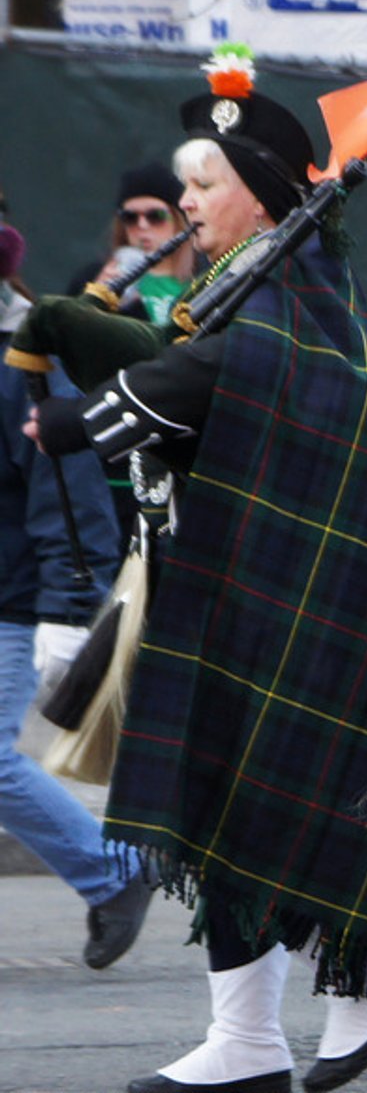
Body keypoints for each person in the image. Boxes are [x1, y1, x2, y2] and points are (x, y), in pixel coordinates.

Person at [28, 45, 367, 1093]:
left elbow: (168, 395)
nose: (185, 201)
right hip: (219, 594)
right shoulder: (236, 306)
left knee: (308, 790)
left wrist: (62, 410)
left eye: (205, 184)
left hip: (301, 609)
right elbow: (177, 375)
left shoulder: (302, 323)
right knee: (218, 802)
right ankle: (246, 1037)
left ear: (264, 196)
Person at [0, 222, 152, 970]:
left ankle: (114, 869)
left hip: (13, 599)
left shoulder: (22, 360)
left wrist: (66, 608)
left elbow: (67, 490)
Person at [67, 162, 197, 323]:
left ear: (178, 220)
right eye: (130, 217)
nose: (142, 226)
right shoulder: (91, 278)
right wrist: (94, 302)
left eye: (155, 216)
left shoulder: (203, 280)